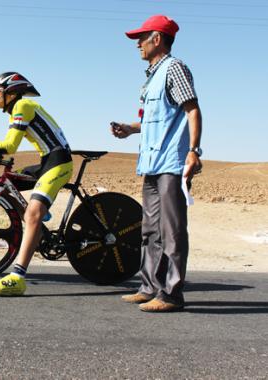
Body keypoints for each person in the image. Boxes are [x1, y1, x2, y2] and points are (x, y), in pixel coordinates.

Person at [110, 15, 203, 312]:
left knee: (172, 230)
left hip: (172, 163)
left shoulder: (174, 68)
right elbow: (155, 120)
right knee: (150, 229)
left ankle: (172, 294)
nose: (138, 43)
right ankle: (149, 286)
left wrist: (193, 150)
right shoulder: (153, 75)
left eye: (142, 37)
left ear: (157, 38)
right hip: (151, 163)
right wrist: (130, 128)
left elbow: (192, 111)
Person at [0, 72, 74, 296]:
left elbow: (9, 146)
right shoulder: (17, 110)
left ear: (11, 93)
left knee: (32, 215)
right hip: (46, 161)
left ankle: (18, 276)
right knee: (8, 184)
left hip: (58, 163)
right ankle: (36, 222)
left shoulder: (23, 106)